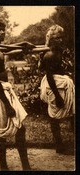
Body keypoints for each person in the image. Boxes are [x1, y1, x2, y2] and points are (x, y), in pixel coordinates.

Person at [0, 18, 31, 170]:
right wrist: (8, 105)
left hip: (1, 89)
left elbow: (8, 47)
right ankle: (5, 167)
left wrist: (23, 44)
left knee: (19, 128)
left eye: (3, 29)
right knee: (2, 131)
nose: (2, 32)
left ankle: (25, 165)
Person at [39, 25, 75, 154]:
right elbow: (49, 77)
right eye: (57, 38)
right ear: (52, 39)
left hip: (61, 85)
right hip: (55, 87)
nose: (60, 40)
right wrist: (57, 96)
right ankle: (59, 145)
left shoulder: (58, 52)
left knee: (72, 113)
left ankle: (63, 145)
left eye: (61, 37)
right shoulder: (50, 55)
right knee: (54, 117)